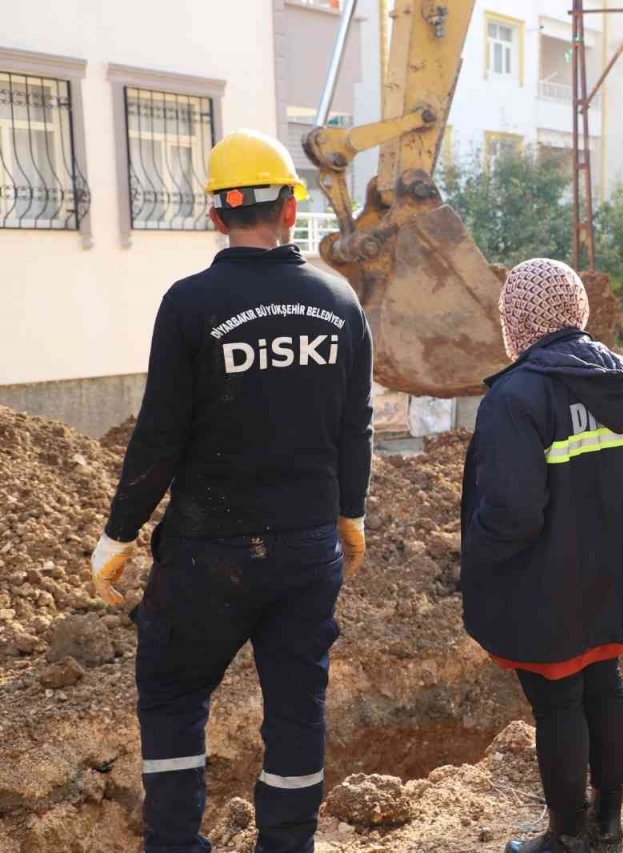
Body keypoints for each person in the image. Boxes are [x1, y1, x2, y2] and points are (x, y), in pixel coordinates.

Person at [89, 128, 374, 853]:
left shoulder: (190, 304)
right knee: (296, 708)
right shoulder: (340, 302)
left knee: (175, 693)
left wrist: (118, 535)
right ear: (290, 209)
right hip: (309, 549)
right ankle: (287, 843)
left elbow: (159, 436)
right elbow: (355, 426)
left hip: (207, 554)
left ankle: (177, 843)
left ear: (216, 217)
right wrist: (351, 514)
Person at [460, 258, 623, 853]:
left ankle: (567, 836)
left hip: (547, 581)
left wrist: (477, 560)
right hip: (615, 572)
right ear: (576, 309)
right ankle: (609, 825)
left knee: (558, 701)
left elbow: (513, 513)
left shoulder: (515, 397)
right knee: (606, 683)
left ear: (517, 318)